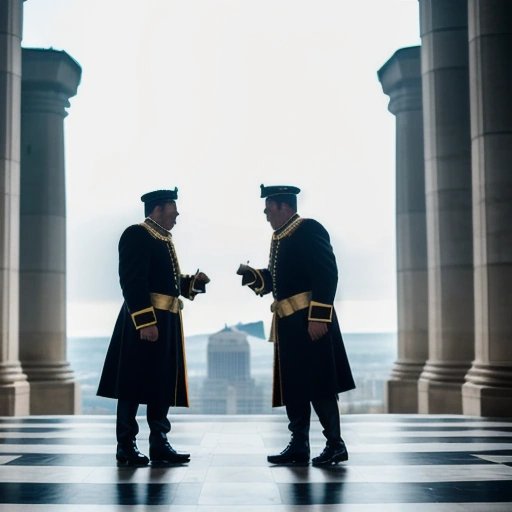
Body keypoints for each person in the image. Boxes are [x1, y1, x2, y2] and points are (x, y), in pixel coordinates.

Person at [237, 184, 355, 466]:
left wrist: (318, 317)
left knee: (319, 384)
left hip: (309, 321)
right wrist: (254, 276)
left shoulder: (308, 229)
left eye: (269, 208)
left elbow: (327, 274)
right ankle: (299, 444)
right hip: (289, 324)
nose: (265, 214)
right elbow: (282, 282)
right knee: (296, 385)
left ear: (284, 206)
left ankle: (335, 444)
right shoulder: (282, 236)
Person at [97, 188, 209, 466]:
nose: (177, 214)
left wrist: (192, 283)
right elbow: (132, 282)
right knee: (132, 384)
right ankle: (126, 446)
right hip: (145, 323)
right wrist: (146, 321)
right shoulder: (137, 234)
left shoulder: (162, 238)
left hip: (167, 322)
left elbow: (166, 284)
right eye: (174, 208)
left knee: (161, 383)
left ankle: (159, 443)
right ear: (158, 208)